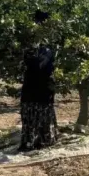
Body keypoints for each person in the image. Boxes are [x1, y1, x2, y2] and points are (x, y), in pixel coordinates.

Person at [19, 9, 58, 151]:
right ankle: (41, 140)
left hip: (40, 88)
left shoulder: (46, 48)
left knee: (38, 111)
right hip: (36, 87)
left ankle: (38, 140)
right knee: (37, 111)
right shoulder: (38, 48)